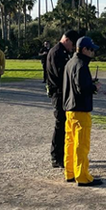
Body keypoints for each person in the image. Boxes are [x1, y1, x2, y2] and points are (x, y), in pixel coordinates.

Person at [63, 36, 102, 186]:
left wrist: (89, 83)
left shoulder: (70, 63)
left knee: (70, 143)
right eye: (91, 49)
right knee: (81, 144)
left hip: (69, 109)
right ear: (84, 49)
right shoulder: (81, 65)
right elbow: (82, 88)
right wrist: (94, 87)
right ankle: (83, 176)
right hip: (81, 110)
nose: (92, 52)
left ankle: (70, 172)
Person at [45, 30, 82, 169]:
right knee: (60, 124)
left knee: (65, 125)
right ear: (66, 40)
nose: (72, 48)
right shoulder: (56, 53)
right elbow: (61, 75)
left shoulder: (63, 52)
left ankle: (63, 154)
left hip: (64, 93)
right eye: (72, 44)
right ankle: (56, 156)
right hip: (59, 93)